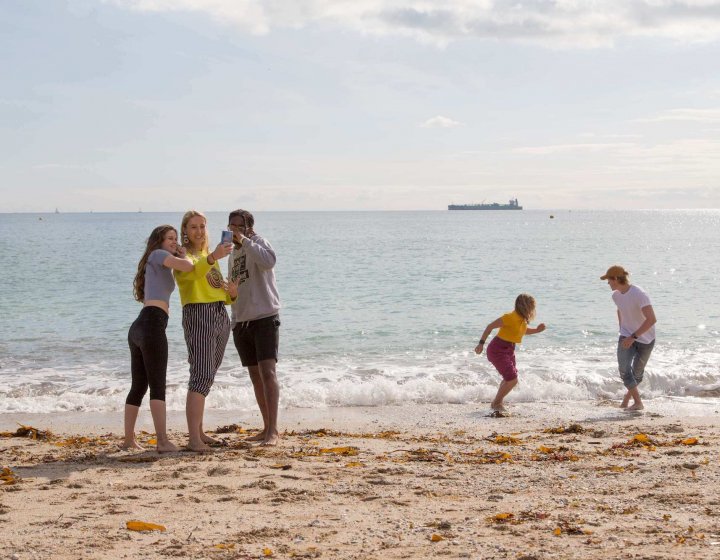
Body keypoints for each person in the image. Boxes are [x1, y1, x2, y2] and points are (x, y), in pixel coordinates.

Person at [124, 225, 193, 452]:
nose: (174, 242)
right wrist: (184, 255)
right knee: (157, 386)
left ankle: (128, 440)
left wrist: (179, 254)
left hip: (139, 327)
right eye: (170, 239)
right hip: (152, 325)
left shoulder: (155, 261)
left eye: (175, 238)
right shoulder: (159, 255)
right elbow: (188, 266)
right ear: (159, 241)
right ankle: (162, 441)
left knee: (139, 386)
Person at [175, 210, 238, 451]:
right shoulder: (183, 257)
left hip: (219, 313)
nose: (199, 231)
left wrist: (231, 293)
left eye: (202, 226)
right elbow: (192, 273)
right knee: (200, 376)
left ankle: (199, 433)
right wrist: (213, 257)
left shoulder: (204, 256)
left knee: (208, 375)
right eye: (194, 227)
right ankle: (193, 439)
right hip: (199, 315)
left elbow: (217, 288)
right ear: (185, 232)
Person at [227, 209, 281, 445]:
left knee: (268, 372)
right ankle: (266, 426)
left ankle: (274, 431)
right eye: (231, 226)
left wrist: (245, 240)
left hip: (265, 317)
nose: (234, 230)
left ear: (249, 227)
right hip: (241, 321)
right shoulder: (232, 254)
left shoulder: (258, 242)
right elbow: (234, 289)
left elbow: (269, 262)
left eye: (238, 226)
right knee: (254, 376)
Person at [474, 294, 546, 415]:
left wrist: (537, 331)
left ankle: (498, 402)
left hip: (509, 350)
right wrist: (481, 344)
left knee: (509, 378)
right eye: (532, 307)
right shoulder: (510, 317)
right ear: (525, 306)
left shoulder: (522, 320)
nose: (533, 310)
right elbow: (490, 326)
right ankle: (496, 403)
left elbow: (523, 331)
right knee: (512, 379)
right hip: (497, 349)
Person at [600, 265, 656, 411]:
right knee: (625, 370)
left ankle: (626, 401)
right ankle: (638, 403)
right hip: (626, 335)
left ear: (617, 279)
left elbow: (651, 319)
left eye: (609, 280)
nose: (608, 283)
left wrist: (633, 336)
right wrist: (622, 329)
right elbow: (620, 309)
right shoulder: (616, 295)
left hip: (646, 339)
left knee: (637, 374)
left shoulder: (639, 294)